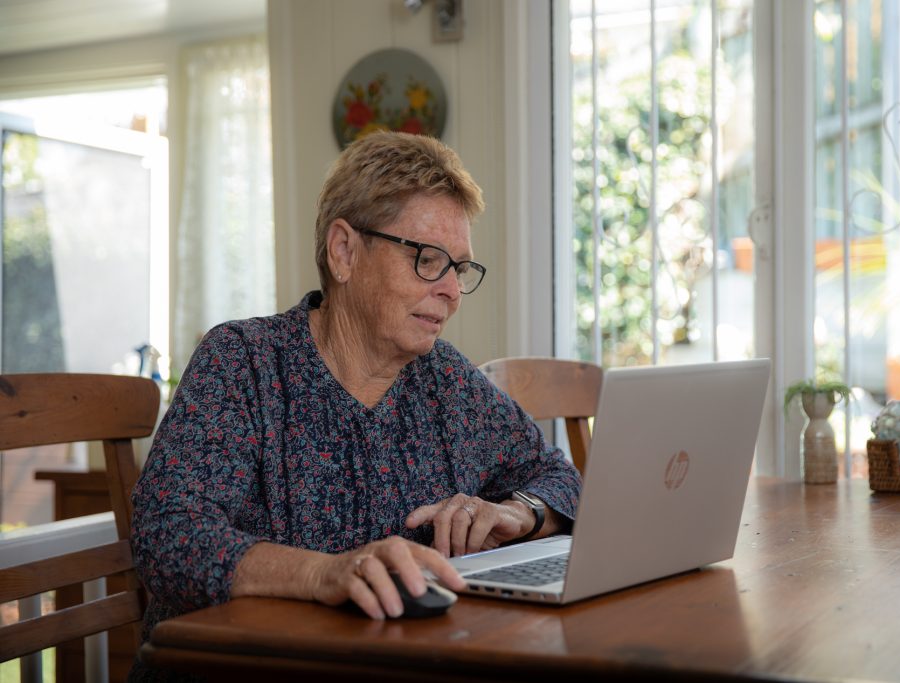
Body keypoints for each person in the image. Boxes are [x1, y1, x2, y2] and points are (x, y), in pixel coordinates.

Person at [129, 131, 582, 679]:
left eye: (459, 268)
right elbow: (168, 534)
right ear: (344, 251)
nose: (451, 291)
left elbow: (558, 475)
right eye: (427, 259)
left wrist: (519, 514)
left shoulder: (446, 380)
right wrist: (323, 574)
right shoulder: (243, 362)